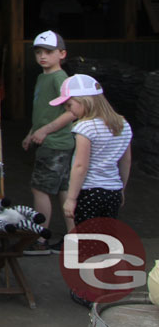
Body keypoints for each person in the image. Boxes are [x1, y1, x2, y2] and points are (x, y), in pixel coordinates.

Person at [51, 73, 132, 306]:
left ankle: (93, 294)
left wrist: (71, 198)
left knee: (89, 244)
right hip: (112, 191)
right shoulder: (122, 124)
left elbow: (80, 165)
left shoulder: (85, 127)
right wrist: (121, 188)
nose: (69, 110)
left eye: (70, 104)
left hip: (89, 192)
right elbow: (125, 161)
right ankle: (119, 287)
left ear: (85, 100)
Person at [20, 29, 74, 254]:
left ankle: (41, 239)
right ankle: (73, 238)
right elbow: (45, 112)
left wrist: (45, 131)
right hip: (53, 141)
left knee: (39, 189)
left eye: (49, 52)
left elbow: (72, 112)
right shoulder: (44, 76)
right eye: (39, 52)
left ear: (62, 54)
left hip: (55, 143)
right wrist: (32, 131)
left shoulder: (60, 78)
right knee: (64, 190)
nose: (43, 56)